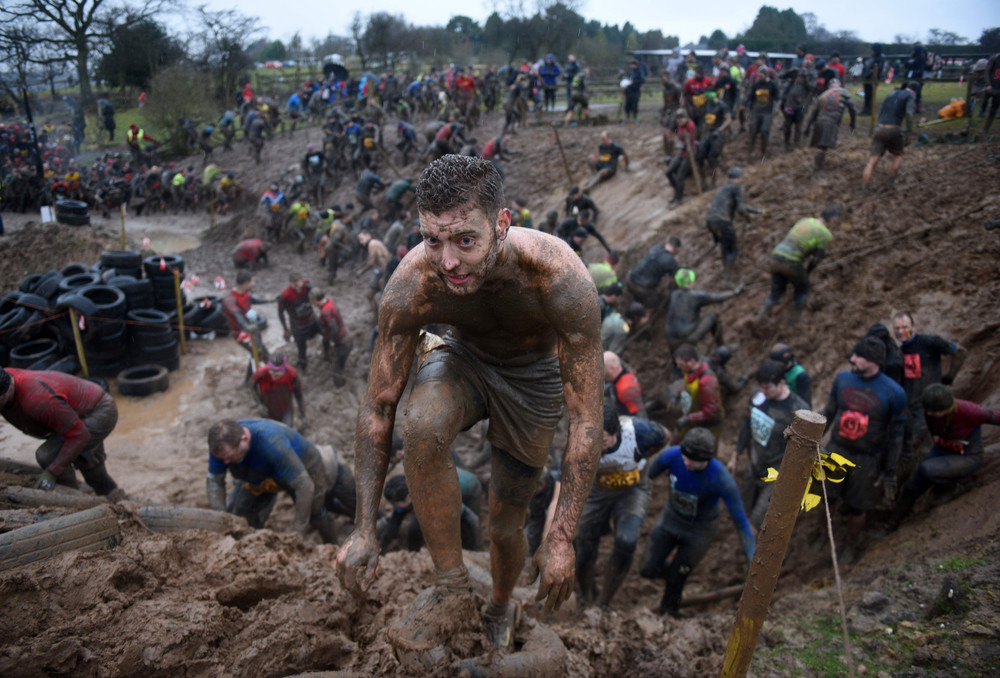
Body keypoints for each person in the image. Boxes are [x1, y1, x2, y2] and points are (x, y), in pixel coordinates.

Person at [334, 155, 603, 652]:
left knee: (505, 525)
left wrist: (562, 535)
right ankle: (451, 585)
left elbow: (586, 418)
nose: (448, 261)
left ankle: (501, 604)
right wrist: (364, 528)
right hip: (463, 357)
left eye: (464, 240)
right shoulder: (414, 283)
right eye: (432, 240)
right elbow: (379, 405)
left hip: (534, 379)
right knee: (422, 422)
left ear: (501, 224)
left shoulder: (559, 277)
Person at [640, 427, 755, 617]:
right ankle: (676, 575)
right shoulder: (672, 456)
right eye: (685, 458)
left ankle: (669, 613)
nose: (686, 463)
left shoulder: (721, 479)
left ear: (707, 460)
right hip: (670, 521)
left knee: (676, 581)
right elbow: (644, 478)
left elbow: (741, 522)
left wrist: (753, 559)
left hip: (698, 533)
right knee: (647, 569)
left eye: (692, 461)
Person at [576, 403, 668, 608]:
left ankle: (604, 601)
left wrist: (643, 455)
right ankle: (586, 594)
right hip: (598, 492)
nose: (598, 445)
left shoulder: (640, 432)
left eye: (604, 441)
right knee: (582, 541)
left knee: (627, 540)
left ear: (615, 432)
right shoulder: (580, 439)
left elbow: (665, 436)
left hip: (632, 490)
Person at [820, 337, 907, 544]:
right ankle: (823, 534)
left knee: (858, 506)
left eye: (858, 356)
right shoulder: (842, 379)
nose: (852, 359)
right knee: (825, 497)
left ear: (873, 361)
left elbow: (896, 435)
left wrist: (890, 471)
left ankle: (851, 543)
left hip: (867, 459)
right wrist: (813, 439)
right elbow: (829, 412)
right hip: (836, 449)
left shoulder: (894, 393)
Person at [0, 368, 124, 500]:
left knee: (49, 455)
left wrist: (52, 472)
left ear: (5, 393)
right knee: (86, 463)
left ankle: (73, 497)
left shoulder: (37, 399)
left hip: (98, 411)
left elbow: (79, 435)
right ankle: (108, 494)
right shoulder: (7, 384)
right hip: (70, 414)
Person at [206, 419, 337, 542]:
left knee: (315, 512)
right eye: (222, 459)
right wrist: (221, 518)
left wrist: (296, 533)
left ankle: (333, 545)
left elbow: (304, 485)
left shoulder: (271, 443)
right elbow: (214, 481)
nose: (225, 462)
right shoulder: (221, 446)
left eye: (228, 457)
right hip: (259, 472)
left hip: (302, 467)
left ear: (244, 439)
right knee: (240, 513)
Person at [889, 385, 999, 529]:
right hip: (941, 449)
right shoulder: (928, 411)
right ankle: (893, 521)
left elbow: (995, 416)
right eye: (927, 411)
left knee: (926, 469)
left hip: (967, 457)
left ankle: (953, 484)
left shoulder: (970, 411)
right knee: (911, 486)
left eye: (934, 412)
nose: (929, 414)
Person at [730, 360, 809, 527]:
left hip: (776, 472)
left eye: (767, 388)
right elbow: (748, 425)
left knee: (758, 520)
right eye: (760, 387)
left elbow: (803, 451)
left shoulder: (798, 412)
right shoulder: (758, 397)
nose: (763, 391)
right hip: (754, 464)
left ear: (781, 383)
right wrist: (736, 454)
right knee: (743, 509)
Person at [892, 312, 967, 463]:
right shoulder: (897, 353)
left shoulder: (929, 342)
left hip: (930, 405)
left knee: (914, 444)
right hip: (910, 407)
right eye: (897, 328)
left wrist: (949, 378)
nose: (901, 332)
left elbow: (960, 352)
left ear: (913, 327)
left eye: (905, 327)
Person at [757, 206, 837, 325]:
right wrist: (807, 273)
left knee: (776, 293)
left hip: (776, 256)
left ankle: (759, 317)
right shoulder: (826, 234)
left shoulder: (804, 220)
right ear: (832, 220)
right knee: (803, 290)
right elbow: (815, 260)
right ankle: (793, 323)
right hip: (792, 262)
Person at [380, 470, 483, 553]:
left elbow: (472, 519)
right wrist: (381, 549)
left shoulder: (435, 496)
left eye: (396, 504)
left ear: (409, 497)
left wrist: (476, 550)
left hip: (470, 489)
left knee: (463, 529)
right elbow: (393, 525)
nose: (394, 507)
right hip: (450, 477)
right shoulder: (408, 489)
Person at [666, 269, 745, 352]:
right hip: (688, 338)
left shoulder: (674, 294)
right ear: (690, 282)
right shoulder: (694, 296)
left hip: (671, 340)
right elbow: (717, 297)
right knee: (713, 316)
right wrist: (735, 292)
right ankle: (722, 348)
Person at [862, 82, 919, 192]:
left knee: (872, 161)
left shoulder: (892, 94)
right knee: (899, 154)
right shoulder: (910, 95)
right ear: (915, 91)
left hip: (879, 128)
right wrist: (909, 131)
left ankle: (864, 187)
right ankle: (891, 182)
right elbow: (908, 113)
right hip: (893, 129)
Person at [705, 167, 759, 280]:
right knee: (733, 250)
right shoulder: (738, 187)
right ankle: (726, 278)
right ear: (739, 177)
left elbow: (739, 206)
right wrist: (748, 217)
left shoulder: (724, 189)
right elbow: (740, 208)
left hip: (711, 221)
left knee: (725, 245)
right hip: (723, 221)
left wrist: (756, 211)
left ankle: (725, 270)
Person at [671, 343, 724, 446]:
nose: (678, 367)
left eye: (680, 364)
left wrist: (688, 419)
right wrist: (680, 392)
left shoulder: (706, 382)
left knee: (703, 452)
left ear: (691, 362)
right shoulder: (690, 371)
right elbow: (689, 385)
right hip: (692, 416)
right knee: (675, 442)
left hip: (707, 424)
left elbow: (712, 411)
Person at [626, 236, 682, 323]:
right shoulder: (671, 261)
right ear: (676, 249)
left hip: (630, 280)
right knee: (653, 299)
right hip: (643, 288)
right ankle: (646, 318)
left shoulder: (656, 248)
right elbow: (673, 280)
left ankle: (635, 309)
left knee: (640, 297)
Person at [805, 79, 856, 172]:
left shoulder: (823, 94)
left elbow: (813, 112)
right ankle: (817, 169)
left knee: (822, 145)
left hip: (819, 120)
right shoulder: (845, 93)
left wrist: (808, 128)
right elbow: (852, 109)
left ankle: (820, 164)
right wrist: (852, 123)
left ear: (829, 87)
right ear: (840, 85)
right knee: (822, 147)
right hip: (831, 121)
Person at [251, 353, 306, 429]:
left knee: (286, 431)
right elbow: (252, 386)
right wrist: (259, 404)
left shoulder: (292, 375)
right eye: (271, 370)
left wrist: (303, 415)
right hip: (268, 411)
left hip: (286, 410)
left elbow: (299, 395)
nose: (273, 374)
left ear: (284, 369)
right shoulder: (261, 373)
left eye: (277, 371)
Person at [278, 274, 320, 372]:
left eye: (299, 285)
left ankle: (327, 353)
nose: (298, 288)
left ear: (302, 281)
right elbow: (280, 313)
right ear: (291, 284)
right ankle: (303, 367)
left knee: (325, 331)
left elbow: (317, 292)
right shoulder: (286, 295)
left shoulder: (306, 285)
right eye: (295, 286)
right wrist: (285, 329)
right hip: (298, 324)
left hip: (311, 317)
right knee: (302, 348)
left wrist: (311, 287)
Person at [311, 288, 352, 385]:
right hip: (347, 336)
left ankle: (340, 389)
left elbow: (334, 329)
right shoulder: (330, 301)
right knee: (339, 362)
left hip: (342, 343)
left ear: (315, 301)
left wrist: (332, 342)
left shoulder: (325, 312)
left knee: (336, 371)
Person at [744, 67, 779, 159]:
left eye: (761, 76)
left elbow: (777, 98)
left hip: (767, 112)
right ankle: (749, 153)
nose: (759, 78)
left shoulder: (772, 85)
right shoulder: (756, 84)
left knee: (764, 131)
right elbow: (750, 97)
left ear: (766, 75)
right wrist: (748, 108)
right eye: (758, 76)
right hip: (757, 111)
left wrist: (776, 109)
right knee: (753, 131)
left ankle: (763, 152)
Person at [666, 109, 696, 208]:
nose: (680, 120)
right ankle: (678, 192)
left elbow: (690, 140)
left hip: (689, 153)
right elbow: (675, 133)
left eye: (682, 118)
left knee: (680, 176)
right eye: (679, 118)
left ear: (686, 118)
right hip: (681, 152)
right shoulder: (679, 125)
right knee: (669, 172)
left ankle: (679, 199)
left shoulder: (690, 126)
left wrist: (684, 143)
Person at [769, 343, 812, 407]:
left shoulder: (800, 375)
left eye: (776, 362)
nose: (774, 365)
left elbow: (806, 402)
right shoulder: (777, 371)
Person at [604, 351, 645, 417]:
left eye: (604, 369)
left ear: (612, 367)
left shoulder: (626, 388)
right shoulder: (622, 377)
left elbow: (639, 415)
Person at [622, 59, 645, 123]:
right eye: (631, 65)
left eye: (633, 65)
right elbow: (627, 80)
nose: (632, 66)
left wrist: (634, 82)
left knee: (634, 104)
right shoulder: (630, 72)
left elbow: (642, 80)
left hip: (636, 90)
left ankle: (635, 117)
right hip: (629, 90)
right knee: (628, 104)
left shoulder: (639, 72)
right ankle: (627, 116)